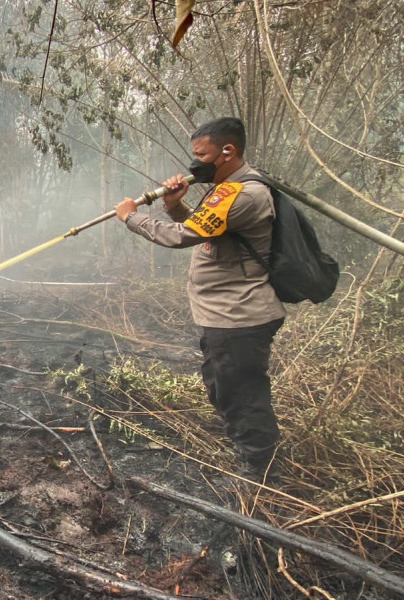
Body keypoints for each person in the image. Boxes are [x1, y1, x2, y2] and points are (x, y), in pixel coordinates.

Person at [114, 117, 286, 481]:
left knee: (242, 394)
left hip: (239, 315)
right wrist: (174, 205)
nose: (195, 164)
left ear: (228, 151)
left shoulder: (245, 193)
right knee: (223, 387)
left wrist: (132, 218)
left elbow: (183, 235)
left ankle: (261, 472)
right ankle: (249, 450)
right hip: (224, 314)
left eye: (202, 155)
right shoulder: (228, 189)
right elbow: (211, 230)